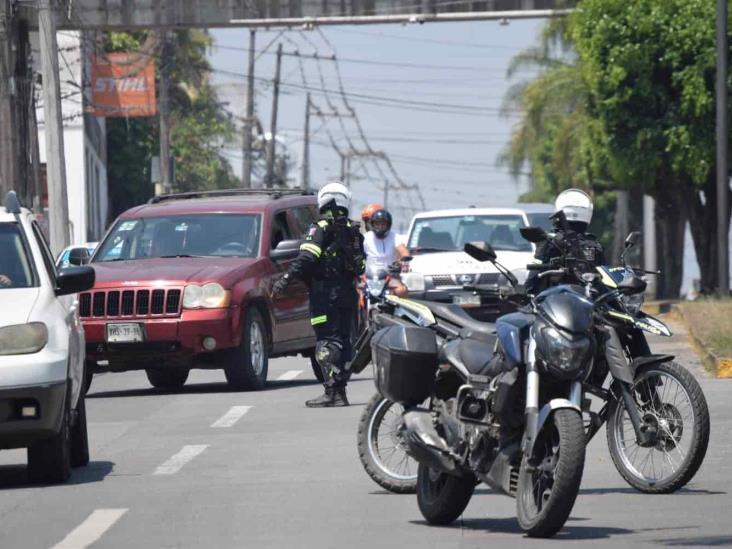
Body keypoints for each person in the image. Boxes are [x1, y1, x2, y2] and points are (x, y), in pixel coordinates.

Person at [273, 181, 365, 408]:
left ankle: (332, 393)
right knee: (344, 342)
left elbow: (306, 258)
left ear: (323, 200)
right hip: (348, 295)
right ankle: (340, 392)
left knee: (327, 343)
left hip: (326, 296)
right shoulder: (353, 232)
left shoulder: (320, 228)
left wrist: (285, 280)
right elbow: (361, 267)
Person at [526, 188, 606, 294]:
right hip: (588, 302)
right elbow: (605, 282)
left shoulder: (550, 243)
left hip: (557, 302)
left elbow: (531, 283)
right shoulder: (594, 246)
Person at [364, 209, 409, 297]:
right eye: (377, 224)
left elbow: (404, 252)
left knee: (401, 290)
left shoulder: (395, 237)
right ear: (373, 225)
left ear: (388, 225)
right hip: (368, 277)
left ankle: (397, 310)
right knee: (355, 292)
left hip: (390, 276)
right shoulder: (366, 238)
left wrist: (400, 262)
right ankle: (358, 310)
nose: (380, 227)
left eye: (383, 224)